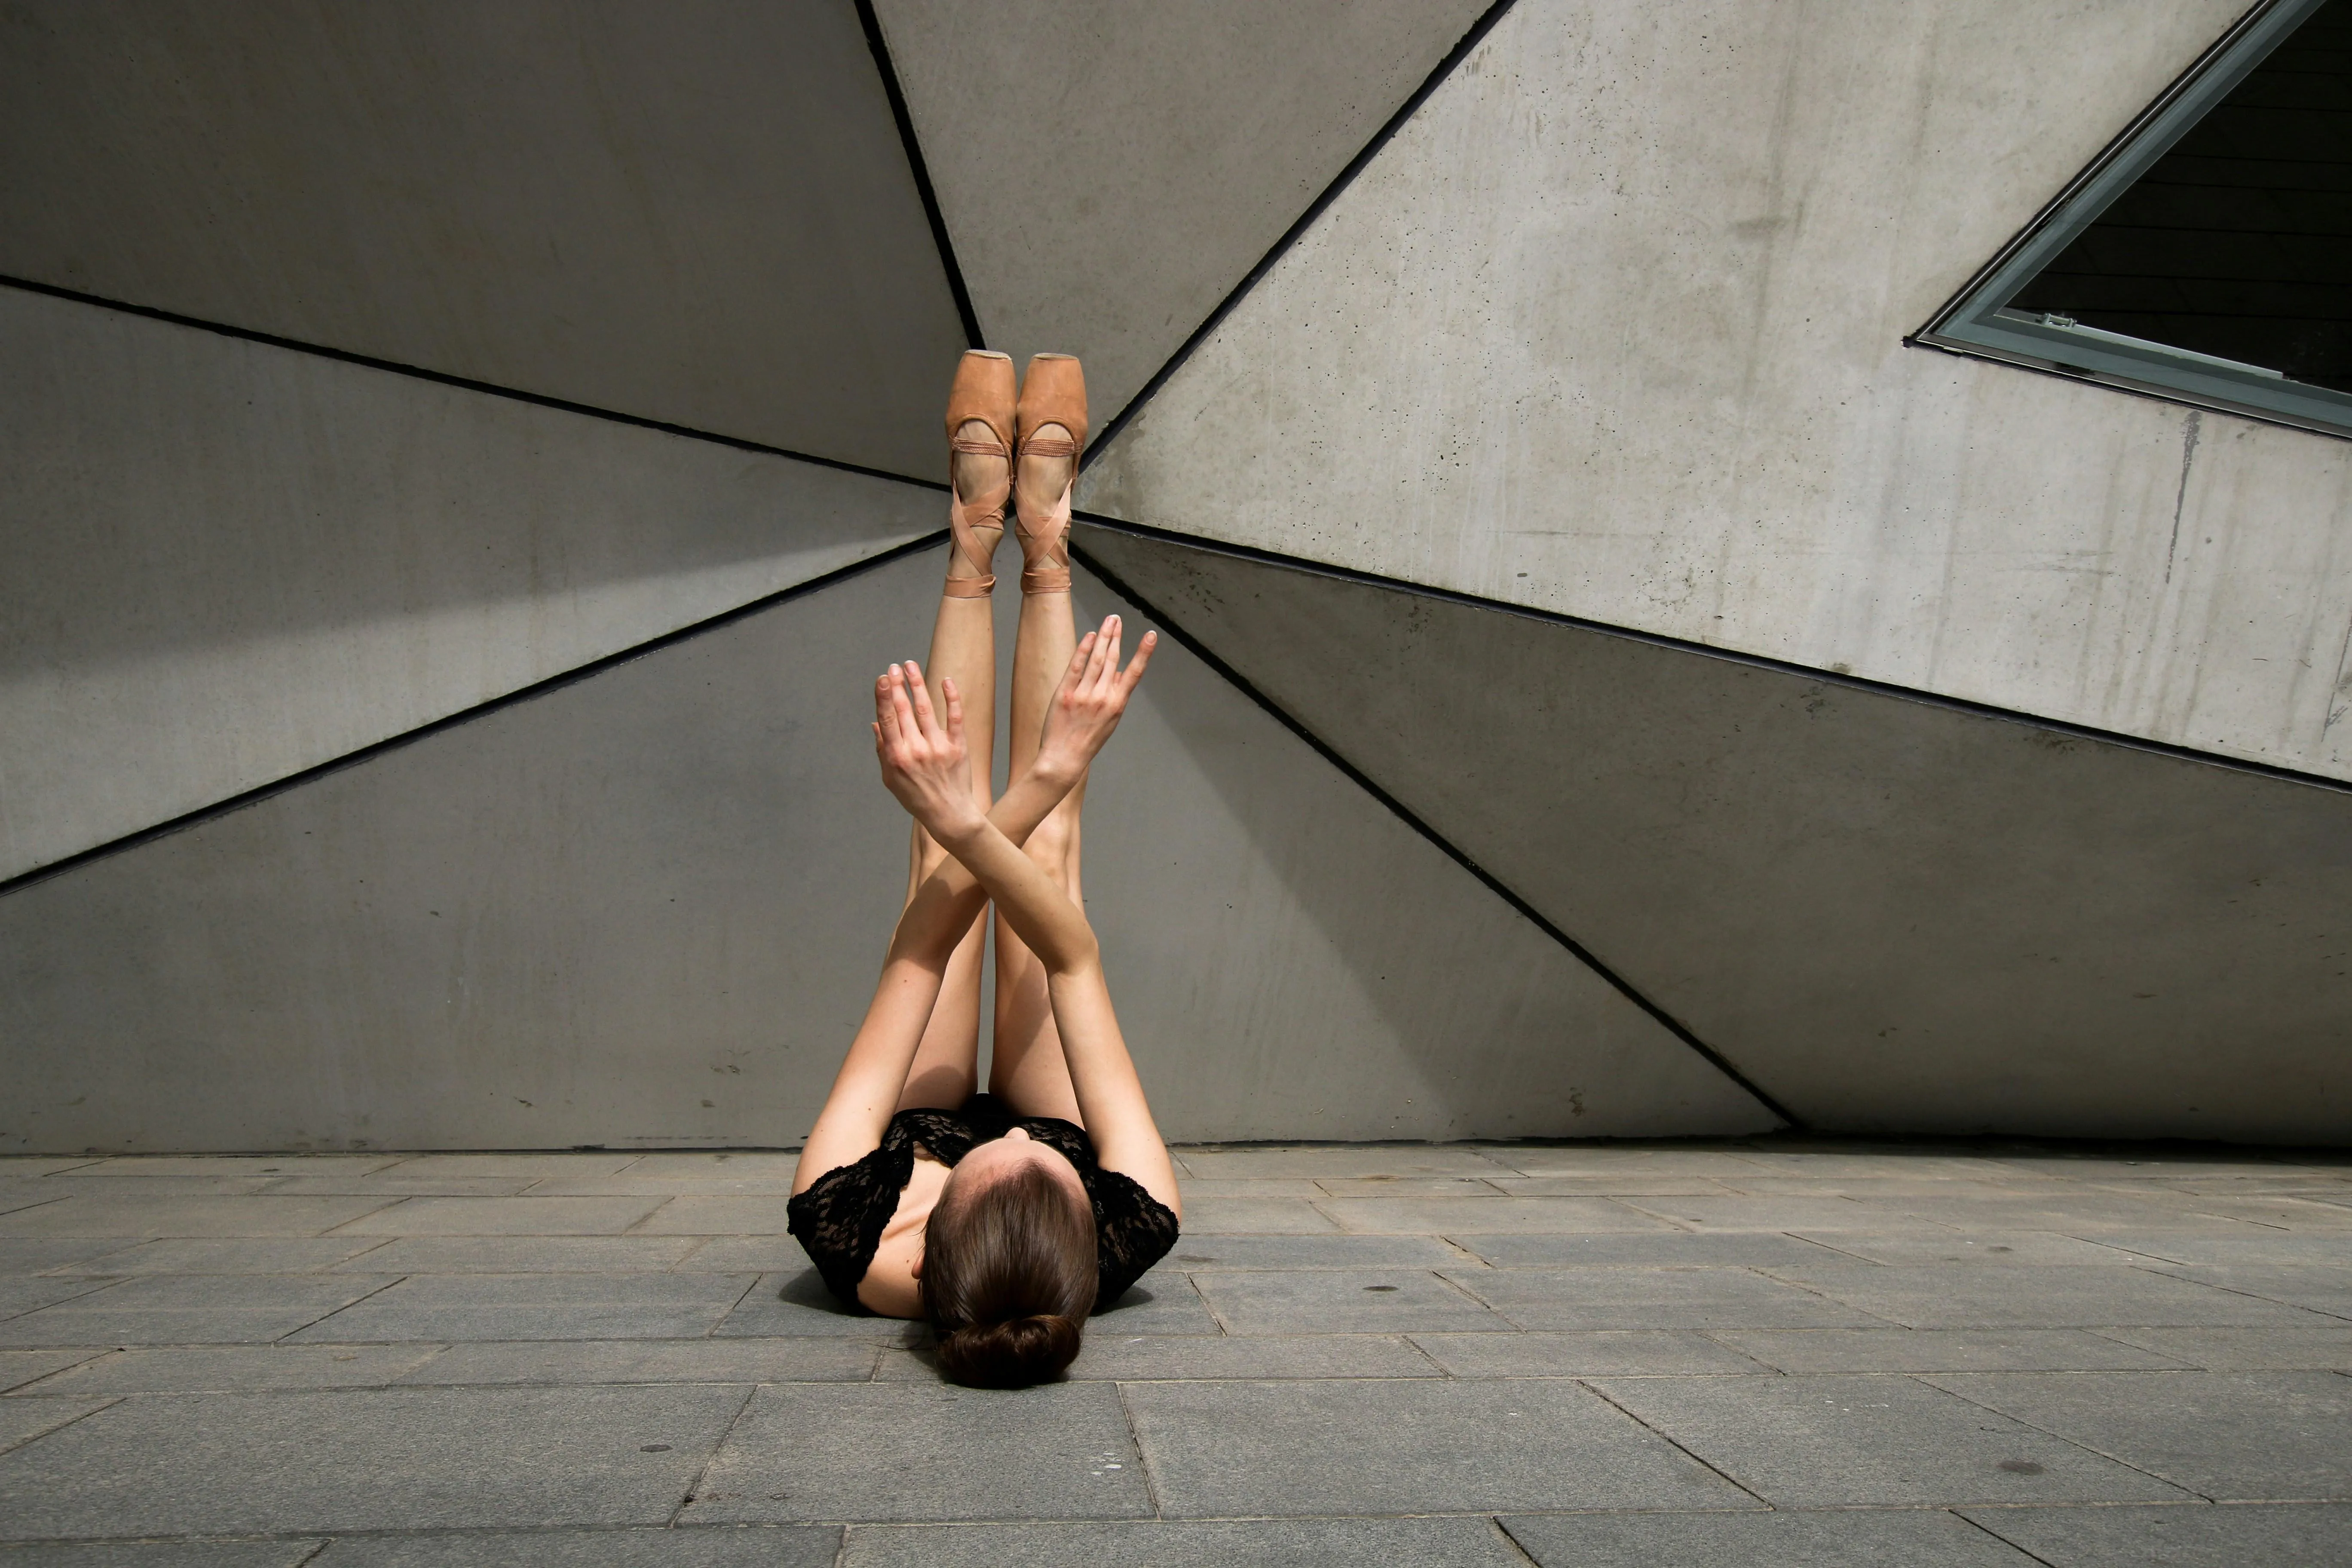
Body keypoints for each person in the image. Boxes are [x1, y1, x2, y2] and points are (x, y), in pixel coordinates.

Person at [787, 350, 1182, 1388]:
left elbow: (918, 952)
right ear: (1083, 1210)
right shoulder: (1132, 1217)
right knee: (1046, 853)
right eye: (1046, 1157)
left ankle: (971, 541)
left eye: (972, 1164)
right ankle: (1048, 541)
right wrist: (1052, 775)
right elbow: (1073, 956)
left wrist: (953, 819)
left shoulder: (846, 1219)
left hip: (905, 1137)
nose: (992, 1137)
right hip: (1053, 1115)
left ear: (929, 1221)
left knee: (936, 870)